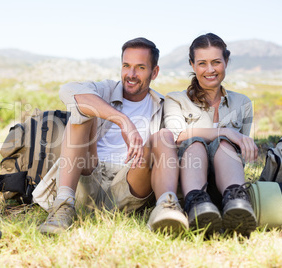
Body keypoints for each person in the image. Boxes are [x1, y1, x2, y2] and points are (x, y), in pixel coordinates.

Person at [33, 37, 188, 235]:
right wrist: (123, 121)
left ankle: (166, 209)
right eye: (126, 66)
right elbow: (67, 90)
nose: (131, 74)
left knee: (164, 136)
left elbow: (180, 137)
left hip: (129, 182)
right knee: (81, 113)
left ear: (154, 72)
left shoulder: (163, 105)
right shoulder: (105, 90)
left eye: (140, 67)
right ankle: (63, 207)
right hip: (88, 174)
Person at [163, 33, 258, 236]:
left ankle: (237, 203)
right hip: (189, 181)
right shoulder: (176, 99)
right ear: (192, 65)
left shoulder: (243, 103)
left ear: (226, 62)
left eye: (216, 62)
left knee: (225, 144)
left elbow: (241, 148)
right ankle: (197, 207)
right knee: (195, 143)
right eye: (202, 63)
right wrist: (224, 131)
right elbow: (176, 135)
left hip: (227, 180)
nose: (210, 70)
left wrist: (229, 138)